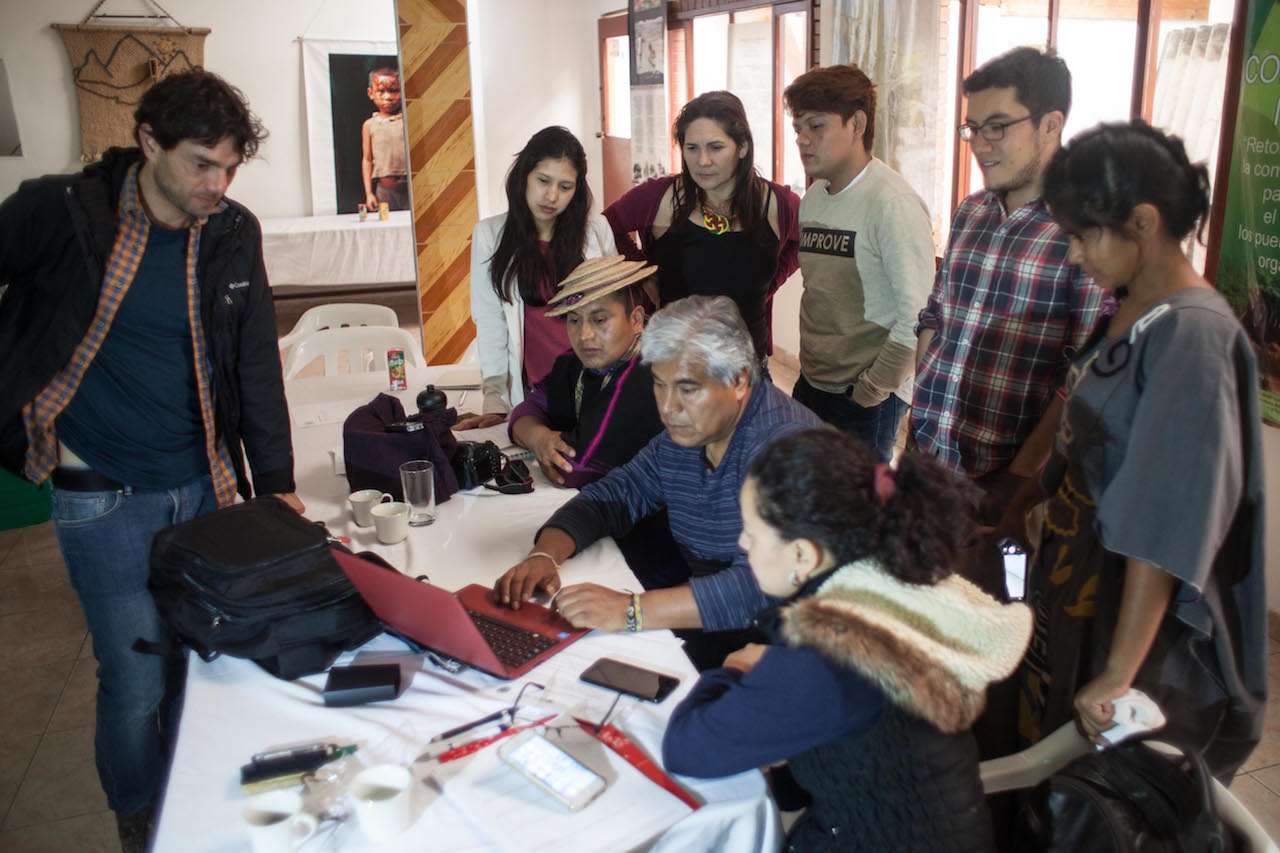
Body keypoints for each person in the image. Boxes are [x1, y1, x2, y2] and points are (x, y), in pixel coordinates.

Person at [0, 71, 300, 851]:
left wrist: (278, 489)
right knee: (133, 677)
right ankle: (139, 816)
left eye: (230, 167)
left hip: (203, 482)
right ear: (148, 143)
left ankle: (194, 797)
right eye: (202, 163)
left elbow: (255, 363)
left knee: (203, 659)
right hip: (102, 492)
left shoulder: (233, 231)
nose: (217, 183)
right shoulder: (62, 212)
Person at [1013, 121, 1265, 781]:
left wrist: (1118, 672)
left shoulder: (1194, 338)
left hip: (1137, 622)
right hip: (1082, 581)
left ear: (1145, 222)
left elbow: (1162, 524)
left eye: (1081, 236)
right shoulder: (1136, 307)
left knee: (1103, 795)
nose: (1073, 257)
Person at [662, 428, 1030, 850]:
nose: (742, 543)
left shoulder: (832, 655)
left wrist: (734, 670)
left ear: (803, 555)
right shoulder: (893, 586)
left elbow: (686, 748)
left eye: (751, 531)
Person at [493, 296, 821, 669]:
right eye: (659, 385)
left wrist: (631, 611)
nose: (668, 407)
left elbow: (760, 587)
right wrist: (545, 553)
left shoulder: (790, 451)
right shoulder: (688, 435)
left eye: (687, 388)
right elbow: (620, 491)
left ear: (739, 379)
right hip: (720, 630)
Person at [911, 47, 1109, 596]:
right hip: (928, 458)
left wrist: (1020, 479)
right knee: (915, 609)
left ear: (1051, 124)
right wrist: (921, 411)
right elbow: (937, 311)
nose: (980, 145)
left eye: (997, 127)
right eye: (972, 128)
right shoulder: (971, 211)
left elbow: (1087, 375)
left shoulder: (1088, 231)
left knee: (992, 622)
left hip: (1004, 479)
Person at [784, 64, 935, 462]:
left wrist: (873, 388)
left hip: (865, 398)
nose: (803, 140)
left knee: (858, 513)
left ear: (857, 123)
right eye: (798, 128)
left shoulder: (892, 204)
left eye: (816, 126)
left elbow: (917, 315)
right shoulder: (814, 198)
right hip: (812, 381)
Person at [603, 91, 800, 366]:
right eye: (692, 147)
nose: (702, 161)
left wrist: (773, 281)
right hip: (673, 367)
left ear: (742, 147)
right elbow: (605, 227)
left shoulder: (778, 204)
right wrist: (640, 272)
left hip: (747, 370)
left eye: (715, 147)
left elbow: (805, 241)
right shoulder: (659, 198)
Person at [464, 126, 616, 429]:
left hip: (597, 387)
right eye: (543, 181)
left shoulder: (596, 231)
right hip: (537, 399)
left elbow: (614, 313)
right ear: (524, 176)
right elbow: (491, 321)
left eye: (565, 186)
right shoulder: (490, 236)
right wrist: (495, 399)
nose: (551, 196)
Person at [509, 255, 663, 488]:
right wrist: (538, 437)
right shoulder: (573, 363)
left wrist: (539, 441)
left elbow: (575, 468)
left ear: (636, 320)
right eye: (574, 320)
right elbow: (529, 408)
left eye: (599, 320)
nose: (584, 335)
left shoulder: (650, 374)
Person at [361, 66, 408, 212]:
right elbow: (367, 160)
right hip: (385, 193)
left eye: (393, 91)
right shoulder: (370, 125)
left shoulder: (407, 121)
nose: (387, 97)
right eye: (381, 91)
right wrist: (369, 194)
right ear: (371, 93)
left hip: (411, 192)